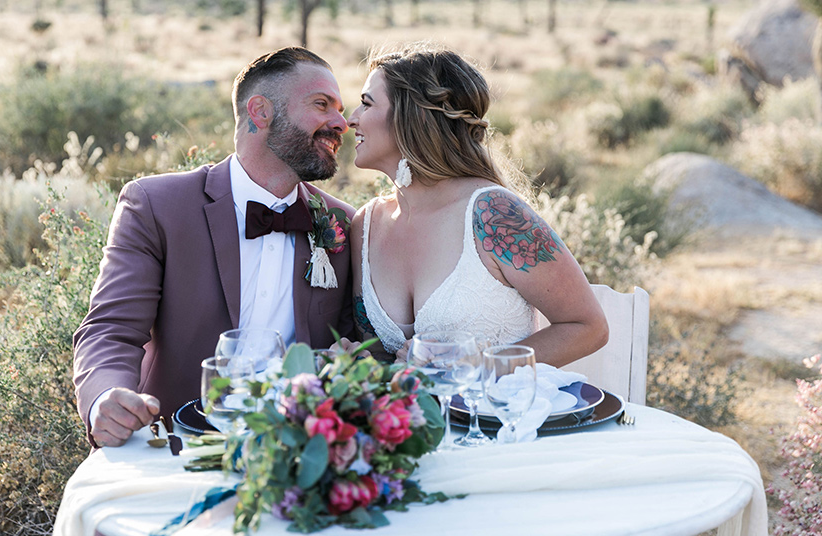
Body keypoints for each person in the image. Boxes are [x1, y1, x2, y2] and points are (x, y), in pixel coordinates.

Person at [74, 47, 357, 448]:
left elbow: (352, 342)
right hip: (171, 445)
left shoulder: (342, 224)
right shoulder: (156, 205)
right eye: (321, 104)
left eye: (341, 109)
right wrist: (105, 398)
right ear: (260, 111)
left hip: (296, 455)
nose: (340, 122)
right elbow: (111, 329)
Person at [347, 44, 608, 365]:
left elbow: (588, 327)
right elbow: (382, 356)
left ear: (409, 117)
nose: (351, 119)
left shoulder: (493, 214)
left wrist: (480, 365)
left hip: (496, 413)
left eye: (366, 104)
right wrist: (355, 363)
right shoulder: (366, 225)